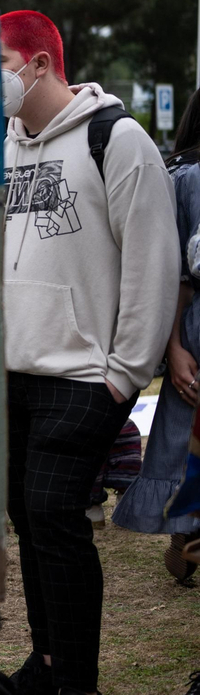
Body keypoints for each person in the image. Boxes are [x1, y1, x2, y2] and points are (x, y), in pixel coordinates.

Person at [0, 9, 177, 695]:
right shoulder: (5, 148)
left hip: (84, 374)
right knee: (26, 518)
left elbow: (152, 261)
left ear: (39, 63)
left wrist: (123, 374)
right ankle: (47, 663)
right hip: (14, 370)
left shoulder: (118, 138)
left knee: (54, 516)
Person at [112, 88, 200, 580]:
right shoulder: (189, 176)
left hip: (188, 329)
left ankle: (184, 531)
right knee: (187, 435)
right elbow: (181, 271)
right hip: (193, 329)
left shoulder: (175, 173)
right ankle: (184, 532)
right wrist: (175, 345)